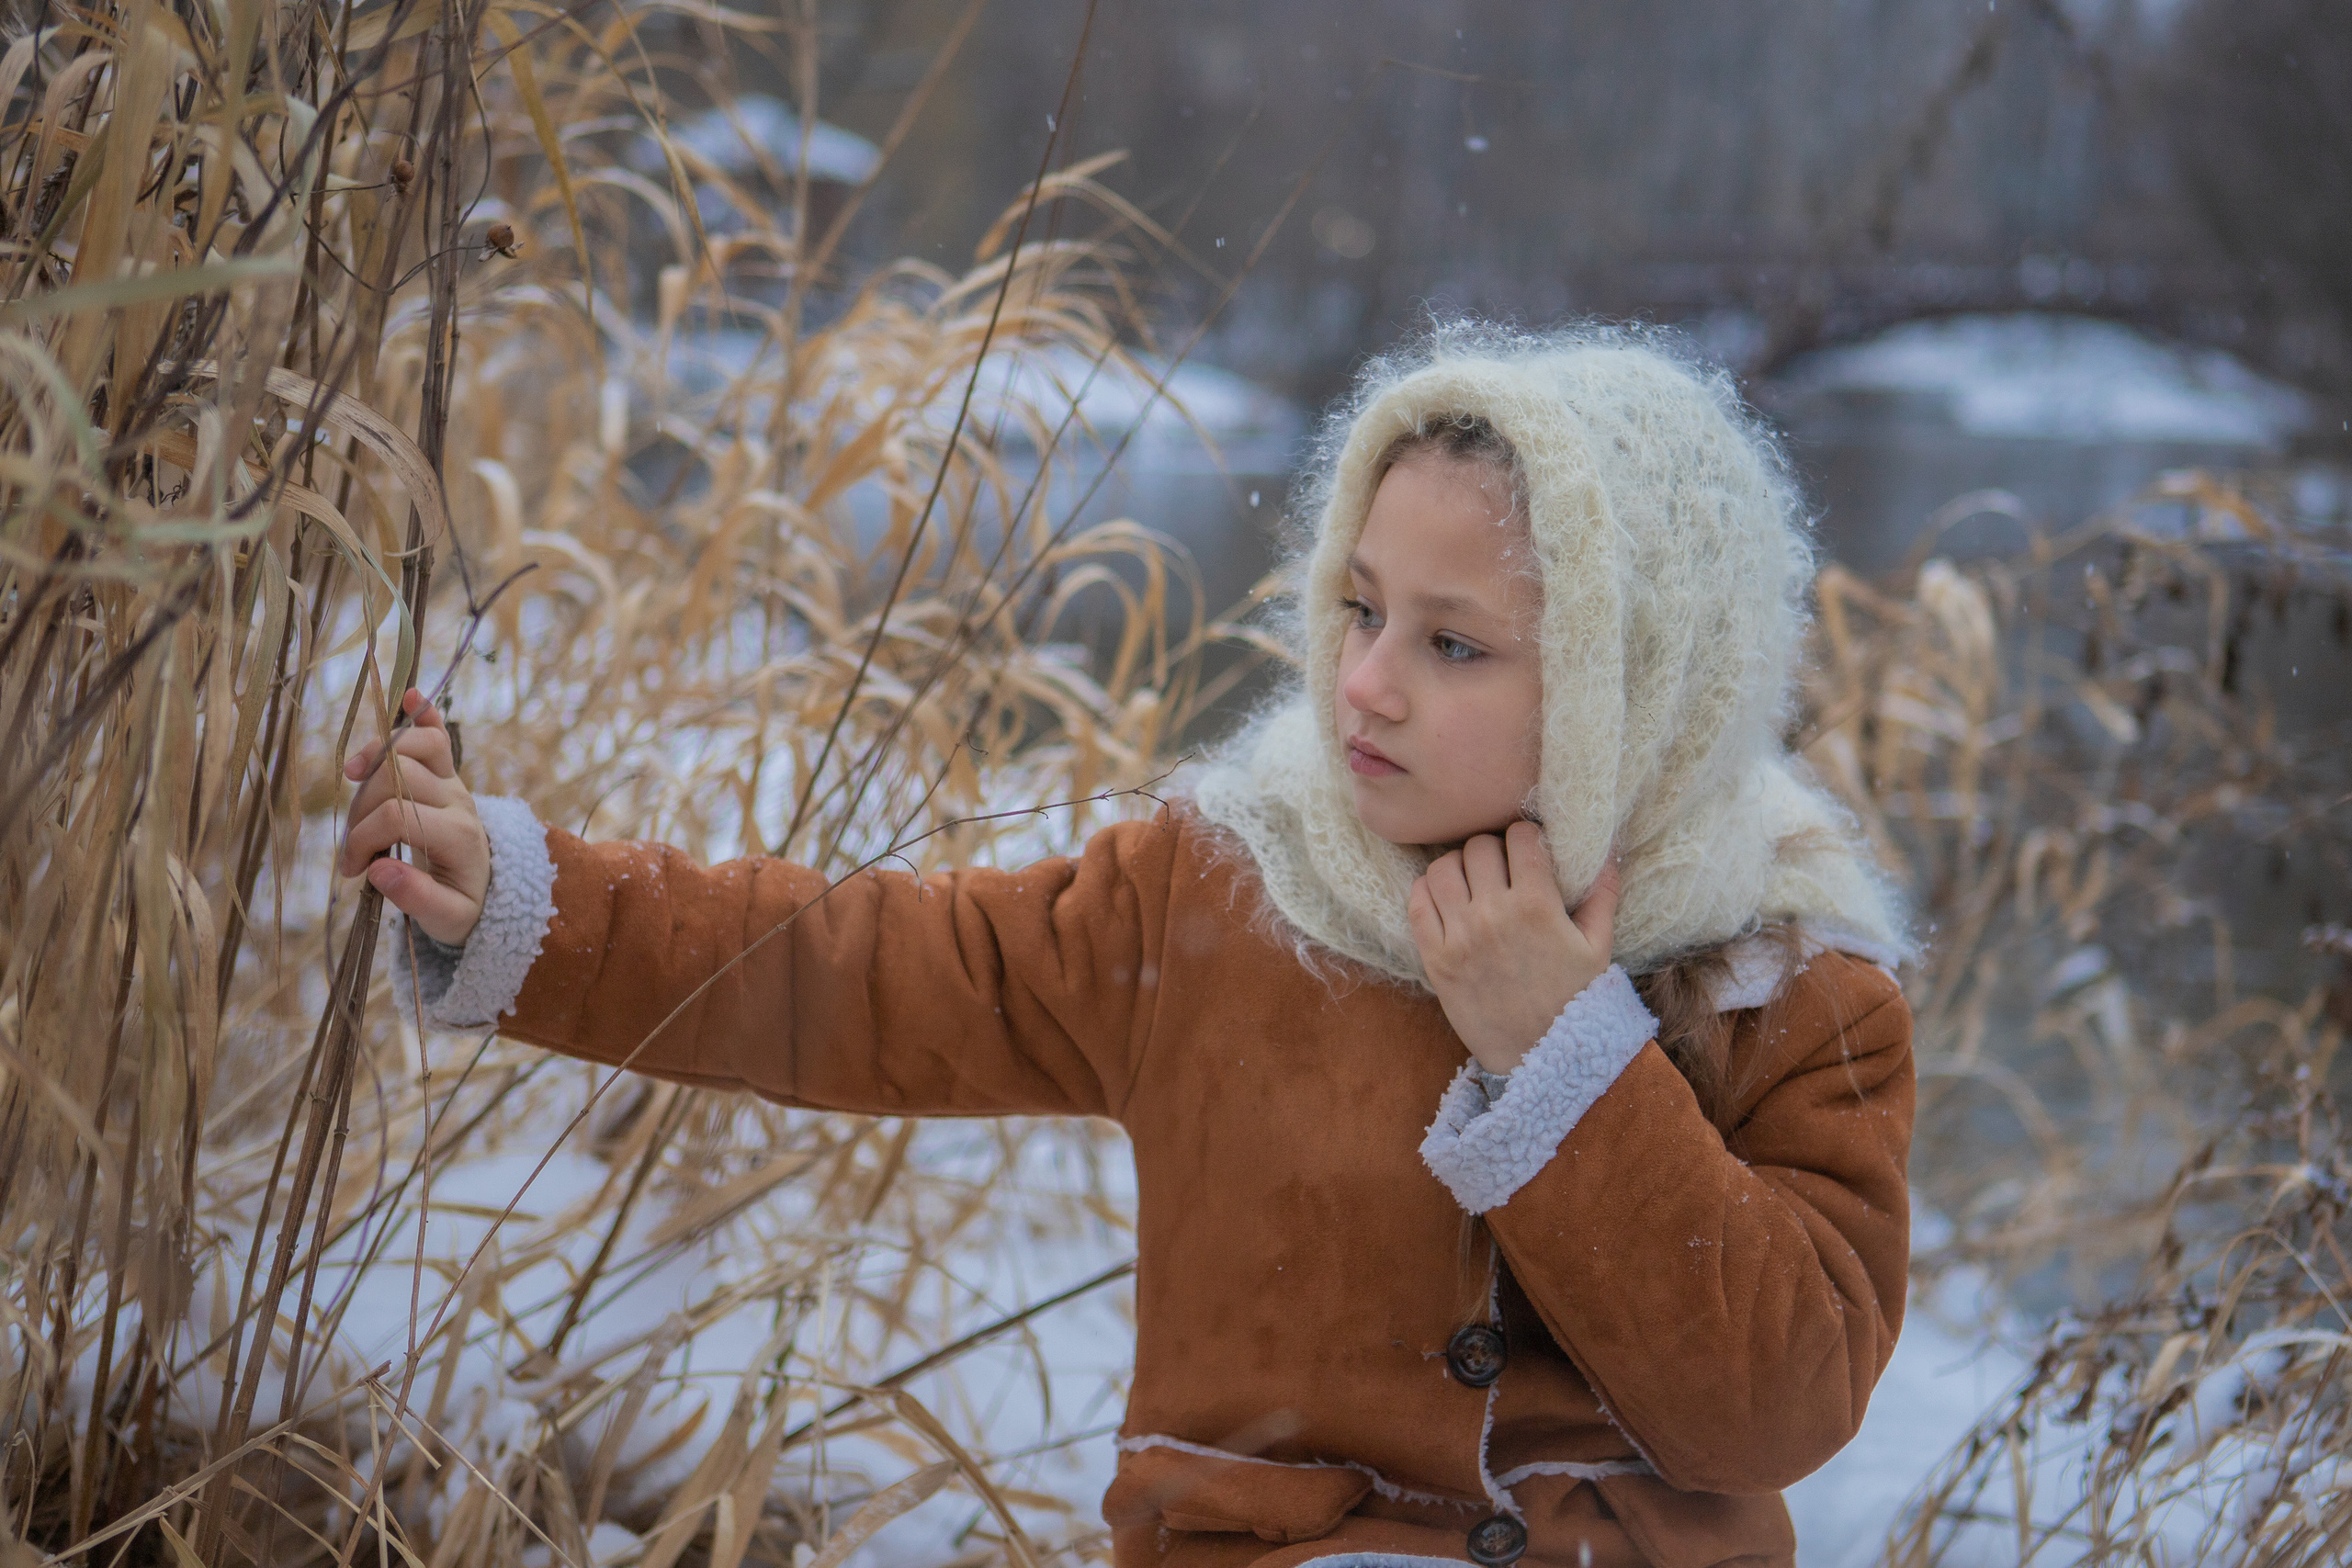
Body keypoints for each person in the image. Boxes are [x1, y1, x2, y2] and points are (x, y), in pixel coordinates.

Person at [342, 322, 1916, 1568]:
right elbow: (868, 972)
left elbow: (1769, 1409)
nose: (1362, 684)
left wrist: (1570, 1054)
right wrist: (529, 910)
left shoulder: (1789, 979)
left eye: (1451, 644)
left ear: (1638, 687)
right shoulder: (1223, 894)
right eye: (1359, 609)